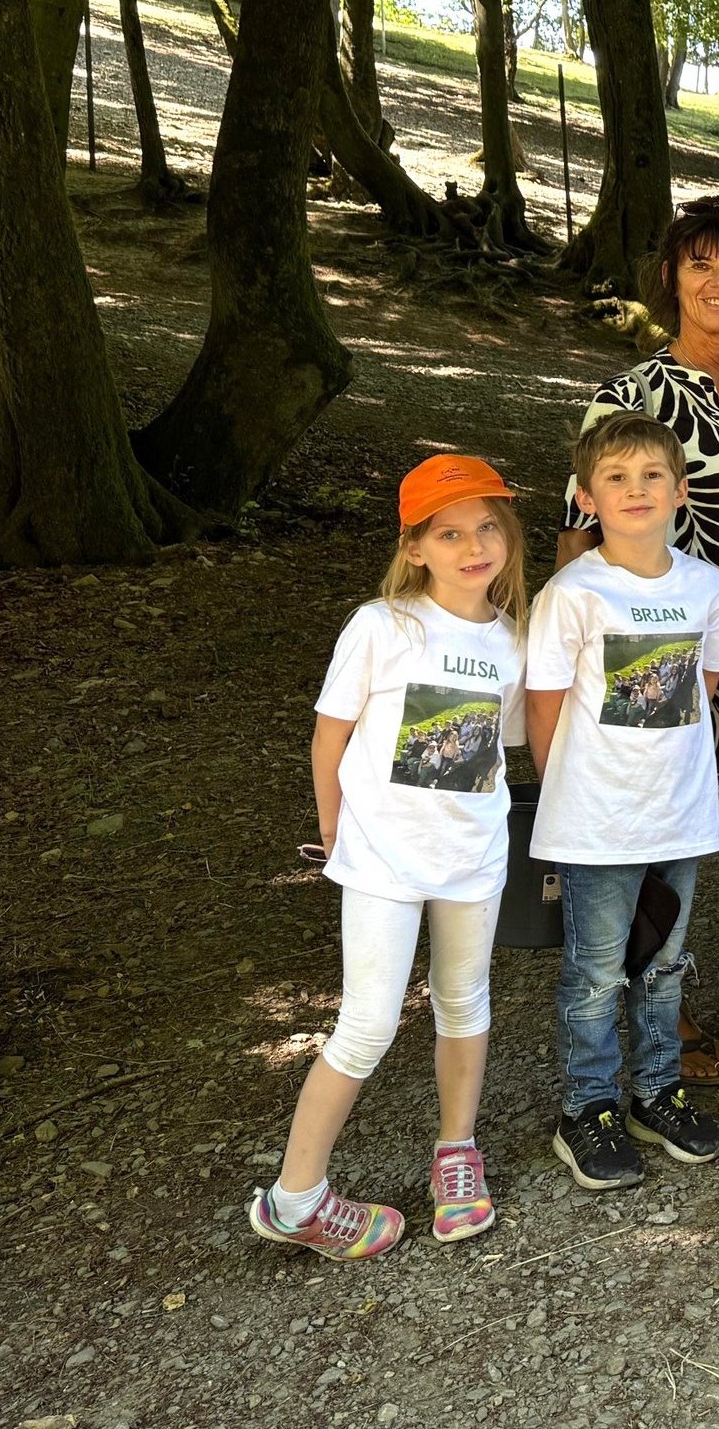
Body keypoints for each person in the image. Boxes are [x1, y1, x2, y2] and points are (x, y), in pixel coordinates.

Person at [249, 457, 528, 1261]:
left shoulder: (513, 640)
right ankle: (296, 1197)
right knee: (367, 1025)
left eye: (487, 527)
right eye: (450, 534)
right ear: (415, 549)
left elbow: (502, 742)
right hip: (382, 860)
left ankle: (456, 1152)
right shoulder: (381, 626)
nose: (473, 546)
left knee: (463, 1002)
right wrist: (333, 831)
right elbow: (329, 736)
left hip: (473, 855)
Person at [558, 197, 719, 1087]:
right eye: (701, 264)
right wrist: (585, 663)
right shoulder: (628, 398)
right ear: (671, 278)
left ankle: (711, 991)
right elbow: (577, 535)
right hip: (666, 656)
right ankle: (656, 1007)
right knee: (654, 832)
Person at [529, 412, 719, 1189]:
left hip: (677, 814)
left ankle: (657, 1092)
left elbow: (704, 683)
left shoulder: (704, 586)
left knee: (663, 963)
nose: (636, 489)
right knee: (596, 973)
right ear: (587, 497)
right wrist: (566, 796)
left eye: (653, 475)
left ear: (681, 491)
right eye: (616, 478)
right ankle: (587, 1108)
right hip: (596, 820)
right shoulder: (573, 592)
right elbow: (545, 704)